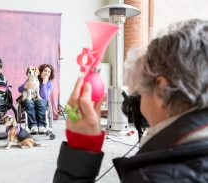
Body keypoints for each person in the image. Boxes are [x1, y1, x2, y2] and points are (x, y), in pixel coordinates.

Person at [53, 19, 208, 183]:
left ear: (161, 89)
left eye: (140, 90)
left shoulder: (148, 177)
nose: (137, 101)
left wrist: (81, 148)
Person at [18, 64, 55, 134]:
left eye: (49, 72)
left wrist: (44, 83)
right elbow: (19, 89)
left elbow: (44, 97)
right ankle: (33, 126)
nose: (47, 73)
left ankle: (41, 126)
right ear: (40, 72)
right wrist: (25, 86)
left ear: (50, 74)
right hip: (30, 99)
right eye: (45, 71)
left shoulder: (49, 83)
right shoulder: (32, 77)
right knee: (29, 103)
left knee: (41, 102)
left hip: (40, 100)